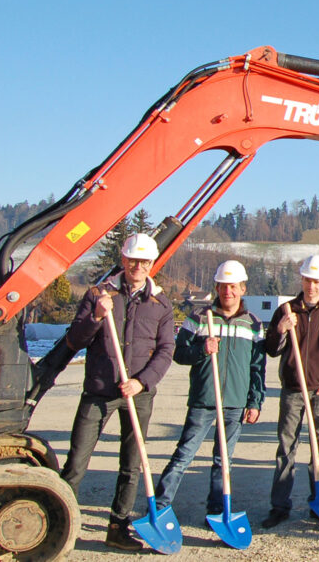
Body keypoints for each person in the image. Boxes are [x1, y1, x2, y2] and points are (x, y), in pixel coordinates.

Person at [60, 232, 176, 550]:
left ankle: (117, 527)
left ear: (152, 264)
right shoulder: (99, 294)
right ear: (123, 260)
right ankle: (61, 523)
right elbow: (76, 340)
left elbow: (166, 350)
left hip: (137, 393)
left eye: (144, 261)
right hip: (99, 391)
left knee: (131, 464)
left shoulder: (160, 303)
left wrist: (142, 381)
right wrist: (97, 316)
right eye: (132, 259)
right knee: (76, 461)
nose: (137, 265)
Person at [154, 260, 266, 518]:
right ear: (217, 287)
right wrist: (202, 350)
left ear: (243, 288)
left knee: (222, 462)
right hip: (203, 401)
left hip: (235, 404)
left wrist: (255, 402)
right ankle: (160, 507)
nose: (228, 292)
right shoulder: (199, 319)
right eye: (224, 287)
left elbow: (257, 368)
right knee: (183, 456)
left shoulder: (253, 324)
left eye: (234, 287)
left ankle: (217, 512)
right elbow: (179, 353)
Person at [261, 254, 319, 528]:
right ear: (301, 280)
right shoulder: (287, 310)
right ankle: (279, 507)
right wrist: (280, 330)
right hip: (292, 390)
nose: (311, 286)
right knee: (286, 449)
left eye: (316, 281)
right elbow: (271, 349)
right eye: (306, 280)